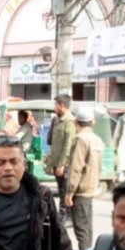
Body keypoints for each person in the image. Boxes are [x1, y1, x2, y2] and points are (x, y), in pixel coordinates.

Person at [64, 107, 106, 250]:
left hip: (80, 189)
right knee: (87, 227)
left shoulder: (80, 139)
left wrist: (69, 192)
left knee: (80, 228)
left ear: (76, 122)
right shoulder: (97, 140)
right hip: (91, 187)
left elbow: (76, 167)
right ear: (92, 122)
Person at [46, 95, 78, 223]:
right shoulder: (57, 120)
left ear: (62, 105)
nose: (54, 107)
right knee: (61, 190)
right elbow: (55, 143)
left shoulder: (70, 122)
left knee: (65, 190)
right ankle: (63, 215)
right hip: (56, 161)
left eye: (56, 105)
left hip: (64, 164)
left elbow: (68, 145)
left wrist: (62, 164)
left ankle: (66, 216)